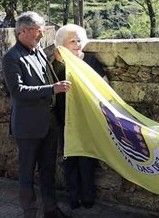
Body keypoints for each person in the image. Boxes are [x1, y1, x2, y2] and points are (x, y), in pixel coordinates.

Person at [2, 12, 71, 218]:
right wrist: (52, 89)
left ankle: (51, 210)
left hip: (49, 122)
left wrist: (60, 65)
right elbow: (17, 91)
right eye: (38, 31)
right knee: (27, 174)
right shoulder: (12, 57)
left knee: (48, 170)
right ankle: (29, 213)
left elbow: (49, 76)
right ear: (23, 31)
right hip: (28, 126)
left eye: (42, 31)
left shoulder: (38, 51)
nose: (41, 35)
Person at [52, 24, 107, 210]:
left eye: (79, 40)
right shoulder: (57, 65)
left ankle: (88, 197)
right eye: (72, 41)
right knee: (69, 159)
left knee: (87, 158)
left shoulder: (91, 60)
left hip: (88, 118)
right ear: (62, 44)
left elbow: (105, 86)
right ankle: (73, 197)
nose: (77, 44)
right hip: (64, 119)